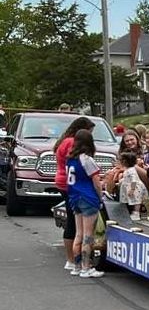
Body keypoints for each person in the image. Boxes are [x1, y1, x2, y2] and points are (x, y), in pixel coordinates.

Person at [52, 116, 94, 271]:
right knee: (74, 222)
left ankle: (72, 258)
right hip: (70, 183)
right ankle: (72, 259)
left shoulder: (64, 141)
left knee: (72, 219)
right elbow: (78, 163)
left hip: (63, 180)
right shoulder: (71, 143)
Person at [65, 130, 104, 278]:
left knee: (79, 234)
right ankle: (86, 267)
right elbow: (96, 182)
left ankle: (76, 266)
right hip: (88, 198)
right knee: (88, 236)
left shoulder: (70, 159)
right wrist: (100, 197)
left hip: (74, 197)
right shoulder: (87, 159)